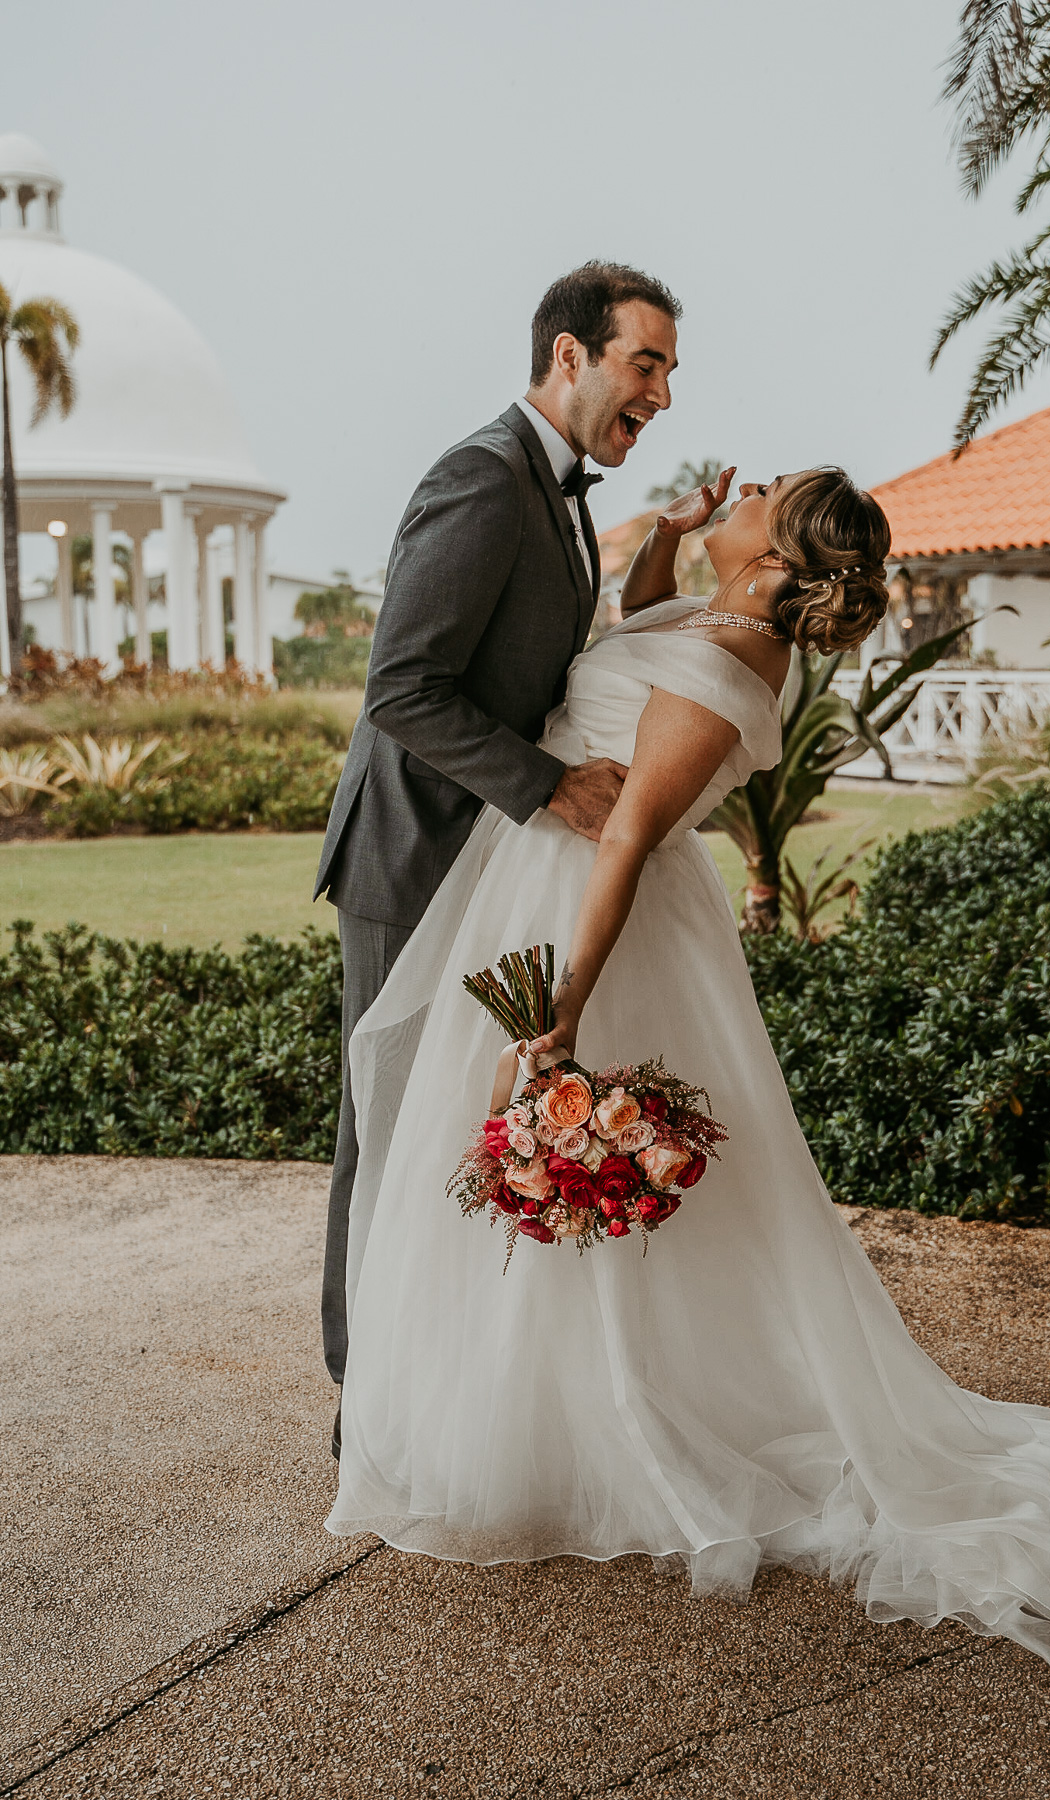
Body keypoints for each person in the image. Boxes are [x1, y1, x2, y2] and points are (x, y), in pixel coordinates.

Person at [327, 467, 1050, 1677]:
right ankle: (540, 1412)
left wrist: (563, 1011)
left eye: (768, 490)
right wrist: (667, 544)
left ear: (781, 552)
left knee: (575, 1163)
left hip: (596, 919)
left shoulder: (731, 668)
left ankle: (614, 1422)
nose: (749, 484)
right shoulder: (717, 620)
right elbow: (634, 636)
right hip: (544, 880)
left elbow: (627, 832)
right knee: (522, 1172)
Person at [313, 262, 681, 1448]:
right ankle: (365, 1405)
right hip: (412, 857)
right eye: (646, 364)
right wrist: (549, 787)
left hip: (481, 863)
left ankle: (432, 1378)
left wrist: (660, 560)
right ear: (568, 357)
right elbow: (403, 690)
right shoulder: (483, 477)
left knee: (450, 1126)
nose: (662, 394)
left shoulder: (564, 490)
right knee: (388, 1125)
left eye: (669, 371)